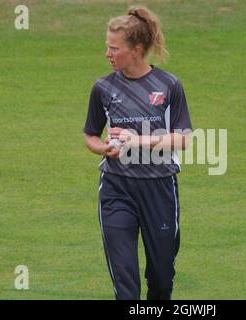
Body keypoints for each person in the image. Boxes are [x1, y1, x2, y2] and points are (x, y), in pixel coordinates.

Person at [83, 5, 192, 300]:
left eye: (114, 48)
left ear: (137, 50)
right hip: (117, 188)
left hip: (159, 187)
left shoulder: (169, 86)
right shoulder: (103, 88)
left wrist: (137, 141)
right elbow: (90, 135)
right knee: (125, 281)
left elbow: (183, 139)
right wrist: (102, 148)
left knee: (161, 277)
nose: (107, 53)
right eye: (106, 46)